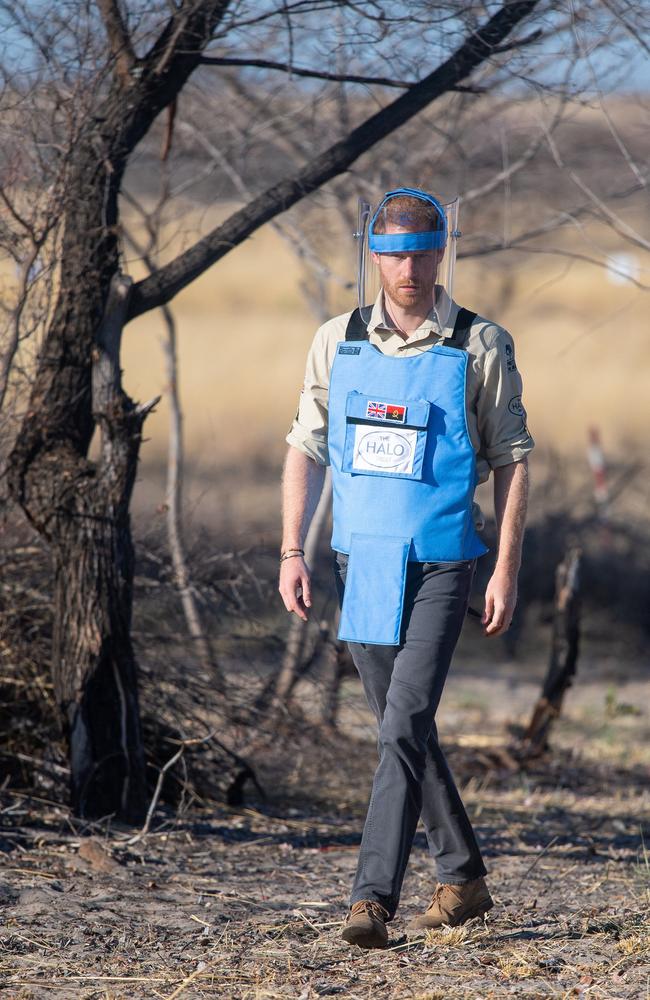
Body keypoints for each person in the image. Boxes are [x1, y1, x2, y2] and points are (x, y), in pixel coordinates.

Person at [279, 187, 534, 949]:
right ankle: (464, 878)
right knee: (404, 729)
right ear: (374, 256)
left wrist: (507, 570)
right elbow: (305, 444)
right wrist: (292, 547)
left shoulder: (479, 344)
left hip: (444, 565)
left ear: (441, 252)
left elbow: (513, 462)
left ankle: (371, 901)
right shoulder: (338, 339)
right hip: (362, 564)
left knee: (402, 726)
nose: (409, 269)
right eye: (394, 255)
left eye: (424, 253)